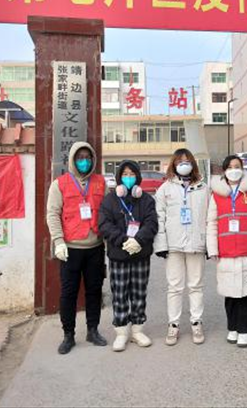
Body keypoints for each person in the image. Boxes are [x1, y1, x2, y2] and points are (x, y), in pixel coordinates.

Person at [46, 142, 107, 355]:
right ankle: (68, 335)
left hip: (95, 247)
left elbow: (107, 213)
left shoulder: (100, 183)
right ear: (72, 159)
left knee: (94, 291)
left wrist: (109, 241)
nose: (84, 161)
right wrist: (58, 241)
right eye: (80, 157)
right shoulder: (59, 184)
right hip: (70, 249)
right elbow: (52, 214)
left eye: (88, 157)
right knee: (69, 293)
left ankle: (93, 330)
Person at [207, 155, 247, 348]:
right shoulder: (216, 195)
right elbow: (211, 223)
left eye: (237, 166)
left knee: (246, 295)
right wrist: (212, 248)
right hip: (225, 251)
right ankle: (232, 327)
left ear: (242, 169)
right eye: (230, 167)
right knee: (230, 295)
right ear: (224, 171)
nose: (234, 170)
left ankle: (244, 330)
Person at [99, 160, 158, 352]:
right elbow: (104, 225)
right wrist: (124, 240)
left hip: (141, 254)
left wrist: (138, 240)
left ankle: (137, 330)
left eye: (132, 174)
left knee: (139, 293)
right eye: (125, 174)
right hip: (118, 255)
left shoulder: (147, 200)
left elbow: (152, 223)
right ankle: (122, 332)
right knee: (120, 294)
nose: (129, 177)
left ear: (138, 177)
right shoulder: (110, 200)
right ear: (119, 178)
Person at [154, 148, 209, 346]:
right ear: (173, 165)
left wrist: (209, 244)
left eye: (187, 161)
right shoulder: (165, 188)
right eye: (179, 162)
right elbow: (159, 217)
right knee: (174, 287)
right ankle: (174, 324)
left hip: (196, 243)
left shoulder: (203, 188)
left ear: (193, 164)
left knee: (196, 286)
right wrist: (161, 244)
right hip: (173, 244)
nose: (183, 164)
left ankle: (196, 322)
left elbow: (209, 217)